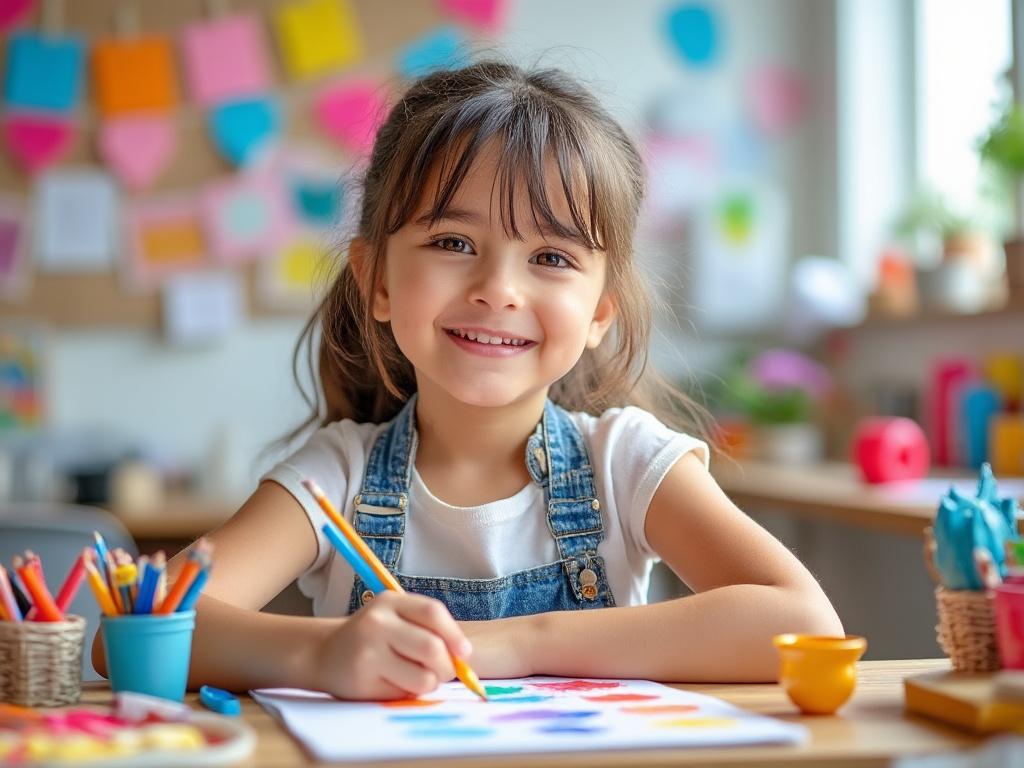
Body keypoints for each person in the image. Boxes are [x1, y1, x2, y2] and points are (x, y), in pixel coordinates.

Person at [94, 61, 842, 700]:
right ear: (376, 279)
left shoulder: (630, 463)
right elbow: (132, 630)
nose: (499, 289)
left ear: (600, 311)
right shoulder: (335, 477)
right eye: (453, 241)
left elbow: (803, 621)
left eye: (550, 257)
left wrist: (511, 646)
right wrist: (319, 656)